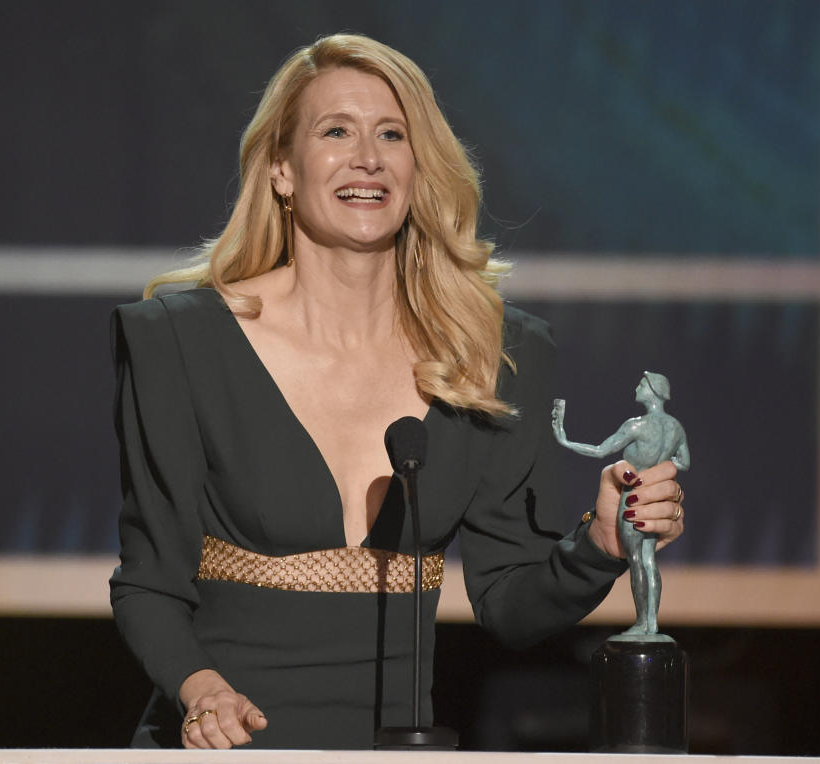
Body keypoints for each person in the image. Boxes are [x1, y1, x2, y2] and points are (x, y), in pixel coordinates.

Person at [110, 33, 687, 750]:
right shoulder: (181, 341)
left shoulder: (494, 353)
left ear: (419, 168)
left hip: (397, 749)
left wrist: (600, 542)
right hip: (222, 749)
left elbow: (510, 602)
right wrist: (203, 691)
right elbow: (148, 585)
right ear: (283, 170)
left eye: (392, 134)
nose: (369, 159)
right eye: (336, 132)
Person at [552, 372, 690, 637]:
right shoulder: (675, 427)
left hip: (635, 500)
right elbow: (684, 462)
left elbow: (601, 451)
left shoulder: (636, 425)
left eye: (641, 384)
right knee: (649, 561)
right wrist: (660, 466)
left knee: (637, 560)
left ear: (652, 390)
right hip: (655, 497)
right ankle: (651, 623)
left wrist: (565, 440)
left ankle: (643, 623)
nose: (636, 387)